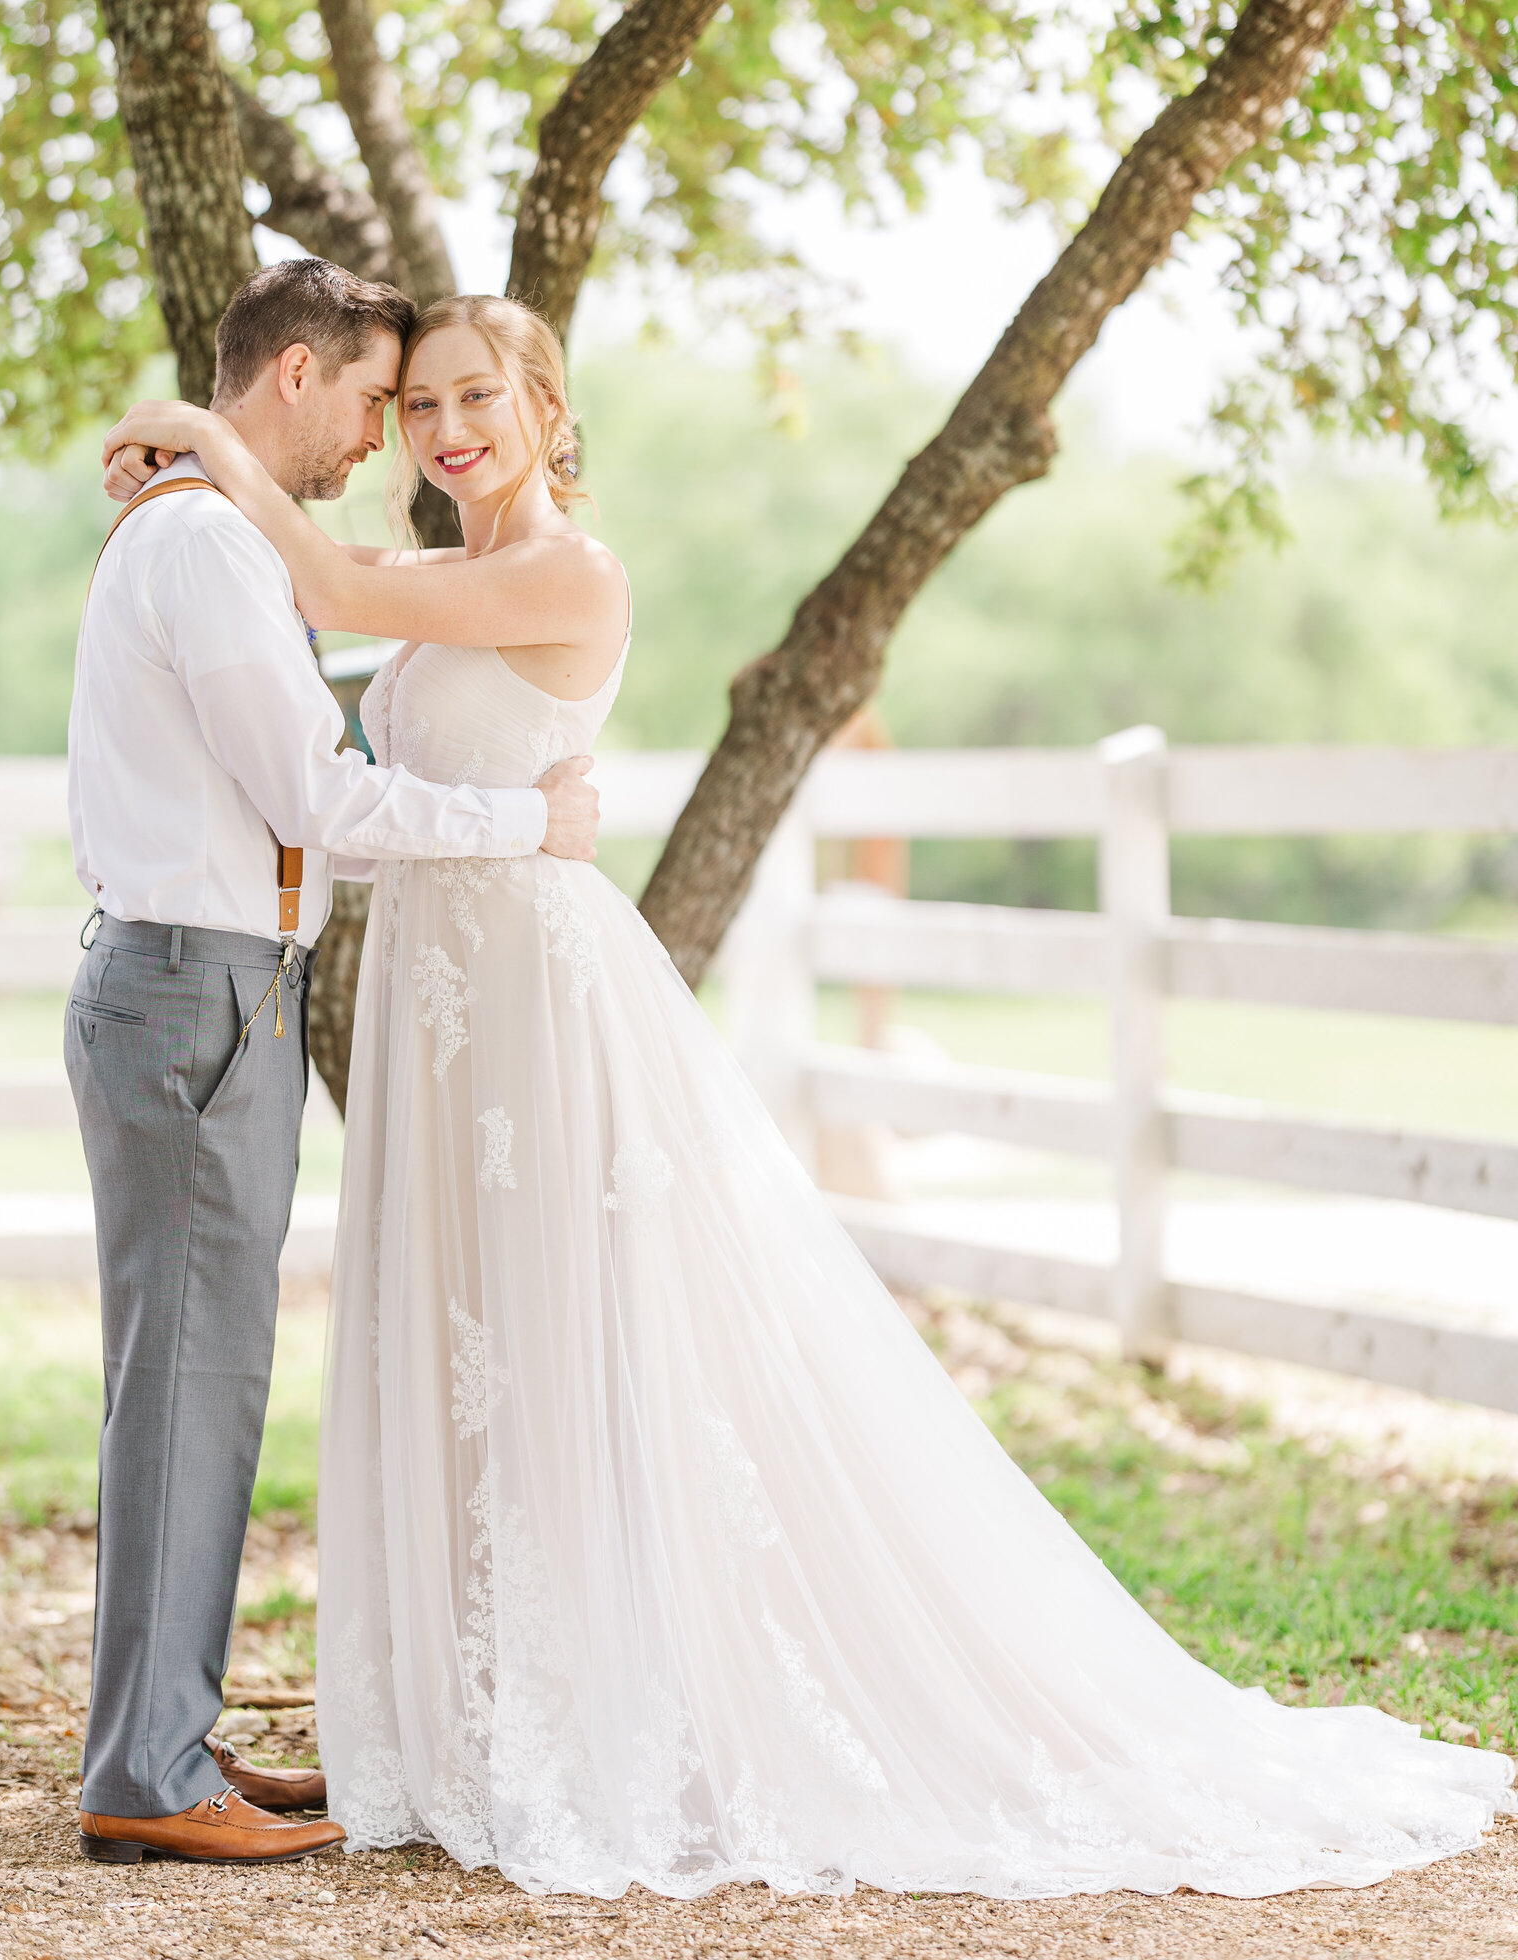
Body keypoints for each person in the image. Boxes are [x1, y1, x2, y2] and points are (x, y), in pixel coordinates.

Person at [100, 291, 1514, 1902]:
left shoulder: (572, 571)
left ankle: (601, 1709)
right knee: (457, 1333)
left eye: (474, 396)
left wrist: (206, 438)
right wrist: (174, 473)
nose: (441, 431)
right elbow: (305, 611)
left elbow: (327, 574)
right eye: (416, 406)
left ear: (546, 410)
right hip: (440, 1003)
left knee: (562, 1332)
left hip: (537, 1000)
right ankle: (466, 1718)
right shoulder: (438, 584)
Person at [67, 261, 598, 1868]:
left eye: (445, 403)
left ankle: (166, 1741)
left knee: (198, 1377)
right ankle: (149, 1777)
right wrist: (530, 822)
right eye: (382, 398)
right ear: (297, 375)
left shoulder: (210, 534)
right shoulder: (213, 547)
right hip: (194, 993)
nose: (391, 436)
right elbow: (322, 798)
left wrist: (185, 433)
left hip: (207, 989)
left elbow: (348, 599)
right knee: (188, 1381)